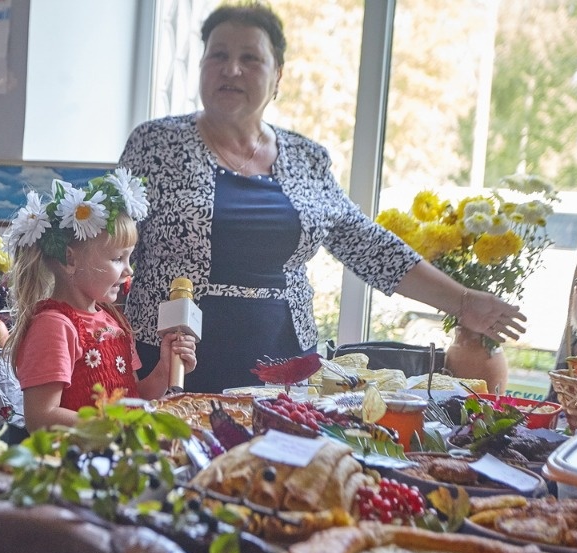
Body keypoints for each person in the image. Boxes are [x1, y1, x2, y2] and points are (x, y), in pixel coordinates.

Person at [119, 2, 526, 393]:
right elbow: (107, 236)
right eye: (218, 55)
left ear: (278, 75)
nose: (232, 69)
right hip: (170, 360)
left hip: (282, 362)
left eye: (251, 58)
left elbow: (369, 246)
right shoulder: (156, 143)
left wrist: (463, 301)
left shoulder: (306, 158)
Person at [4, 168, 198, 431]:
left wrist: (164, 370)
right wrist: (117, 426)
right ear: (70, 260)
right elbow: (41, 418)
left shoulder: (113, 322)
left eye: (129, 258)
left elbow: (132, 400)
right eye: (118, 259)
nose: (129, 270)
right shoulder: (55, 326)